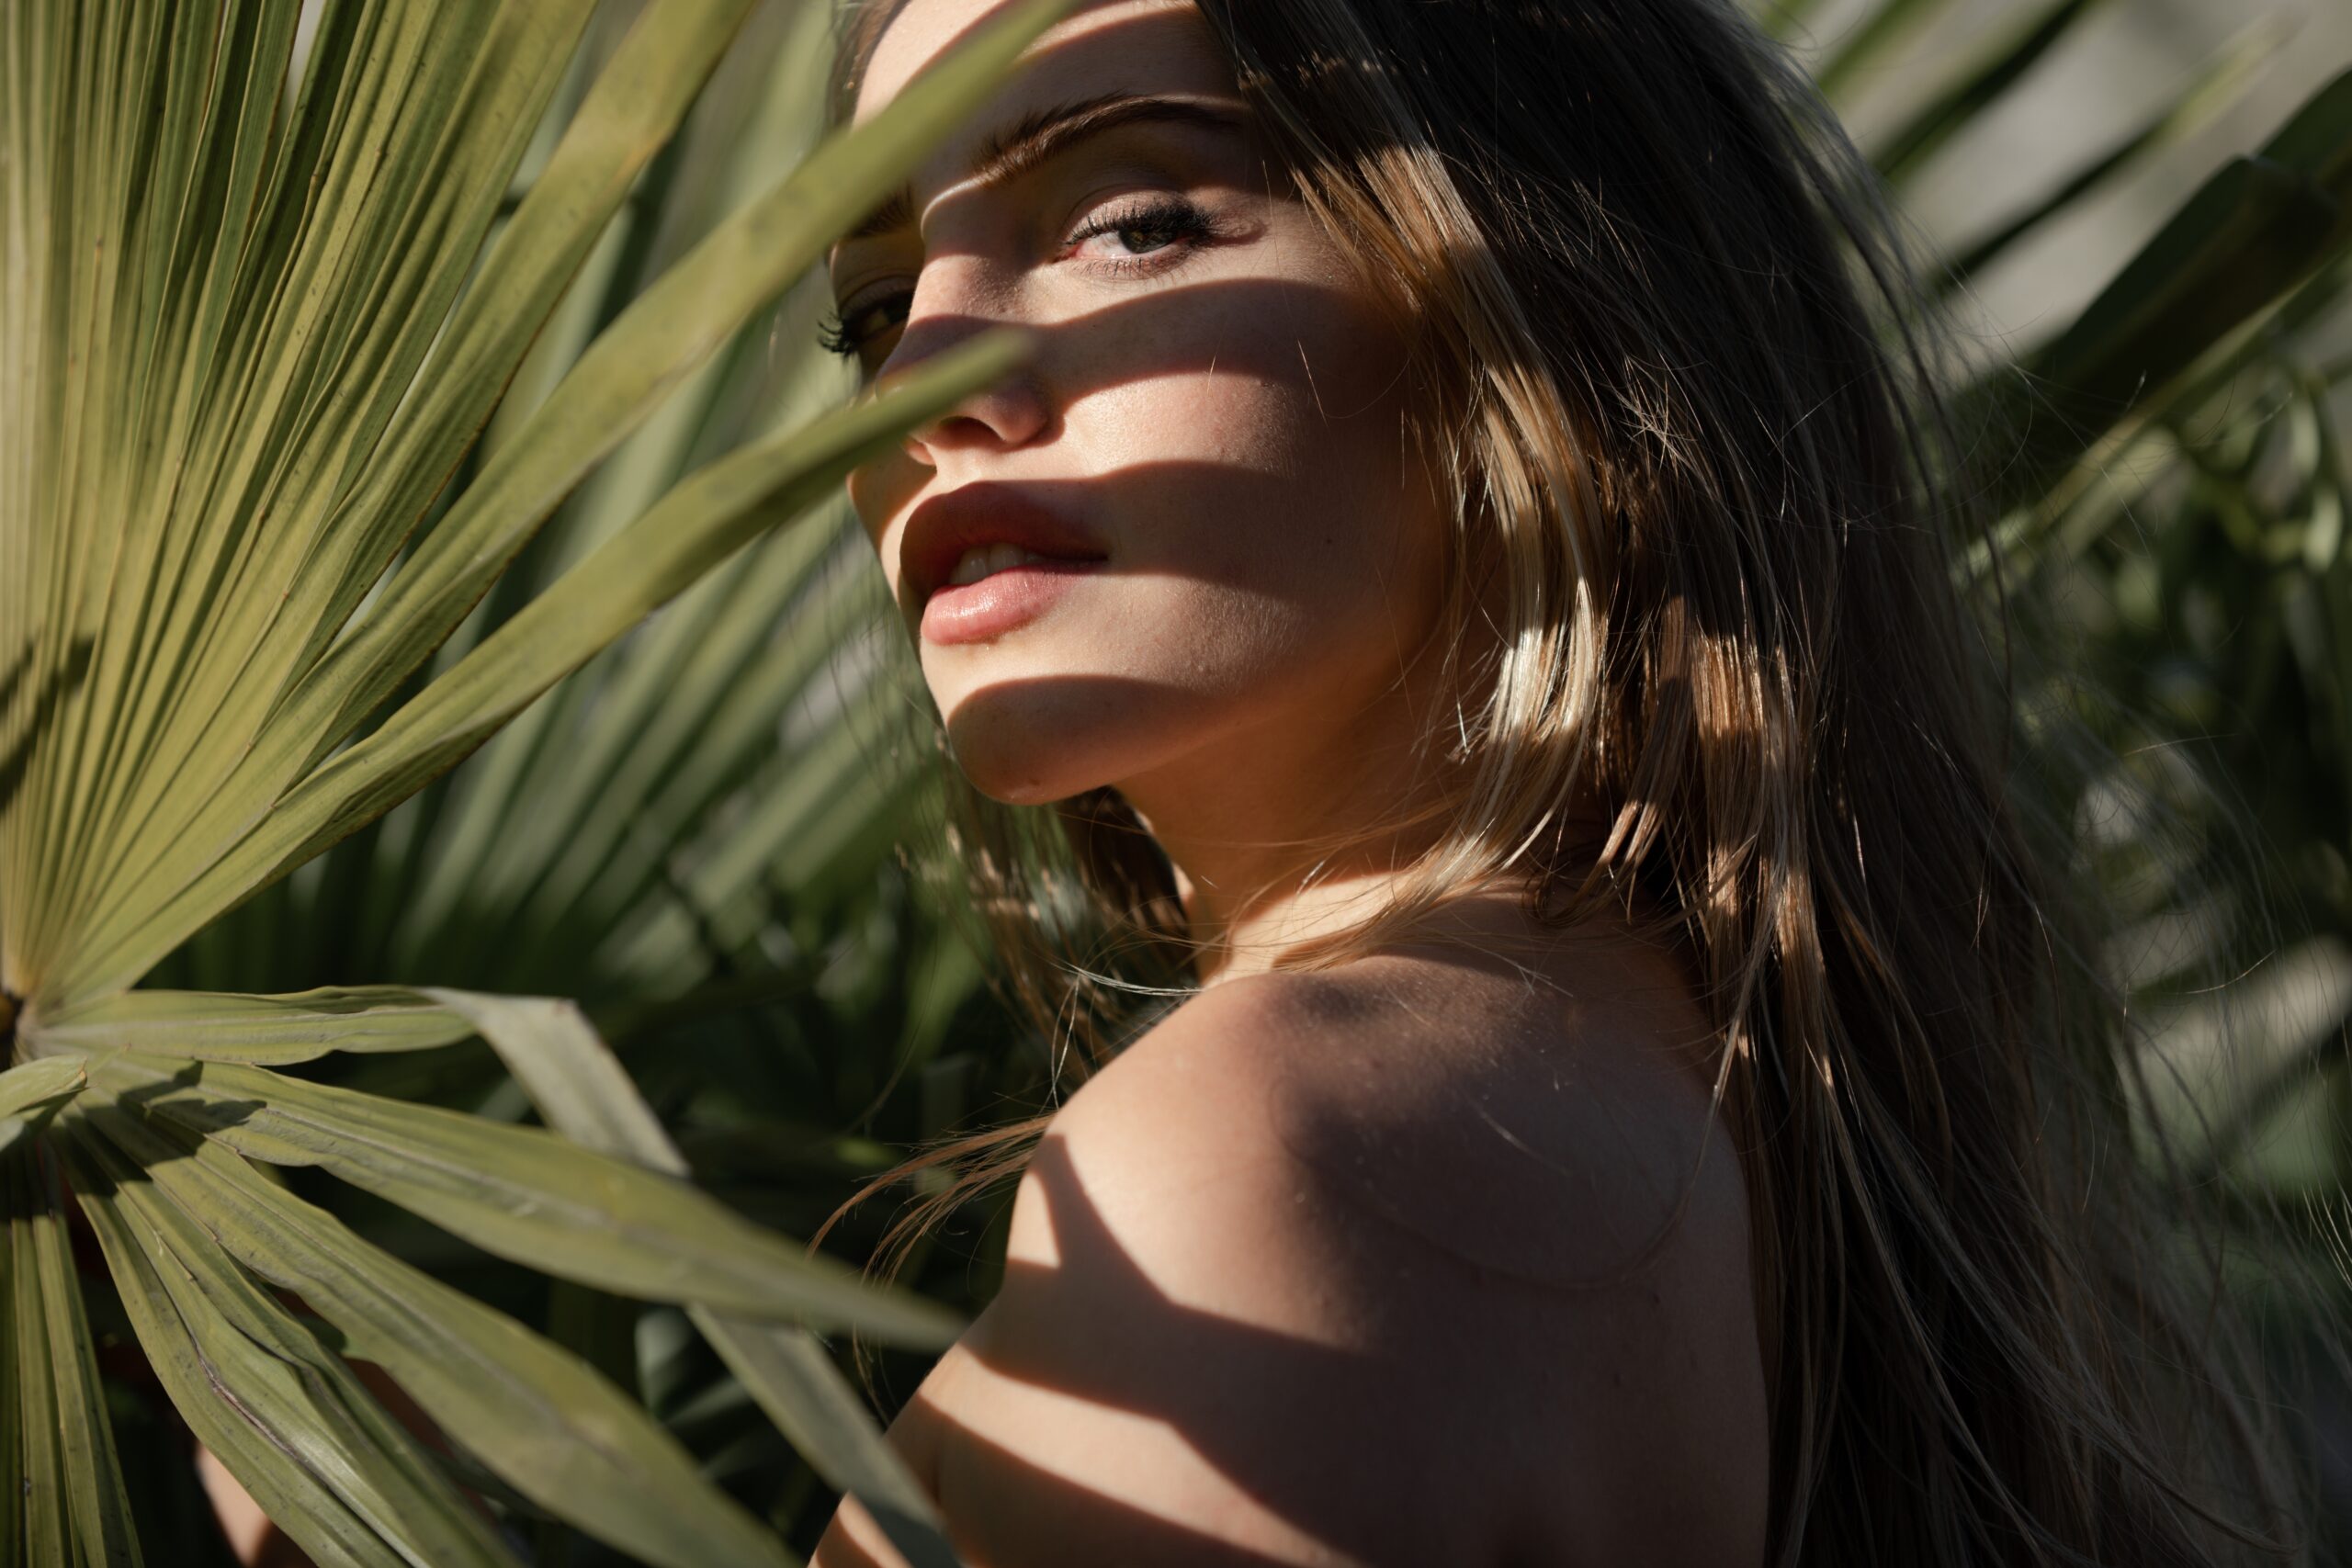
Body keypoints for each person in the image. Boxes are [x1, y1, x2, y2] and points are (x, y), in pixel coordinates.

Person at [804, 2, 2321, 1566]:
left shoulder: (1283, 1154)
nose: (925, 373)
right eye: (872, 303)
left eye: (1133, 222)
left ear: (1546, 320)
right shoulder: (1732, 1169)